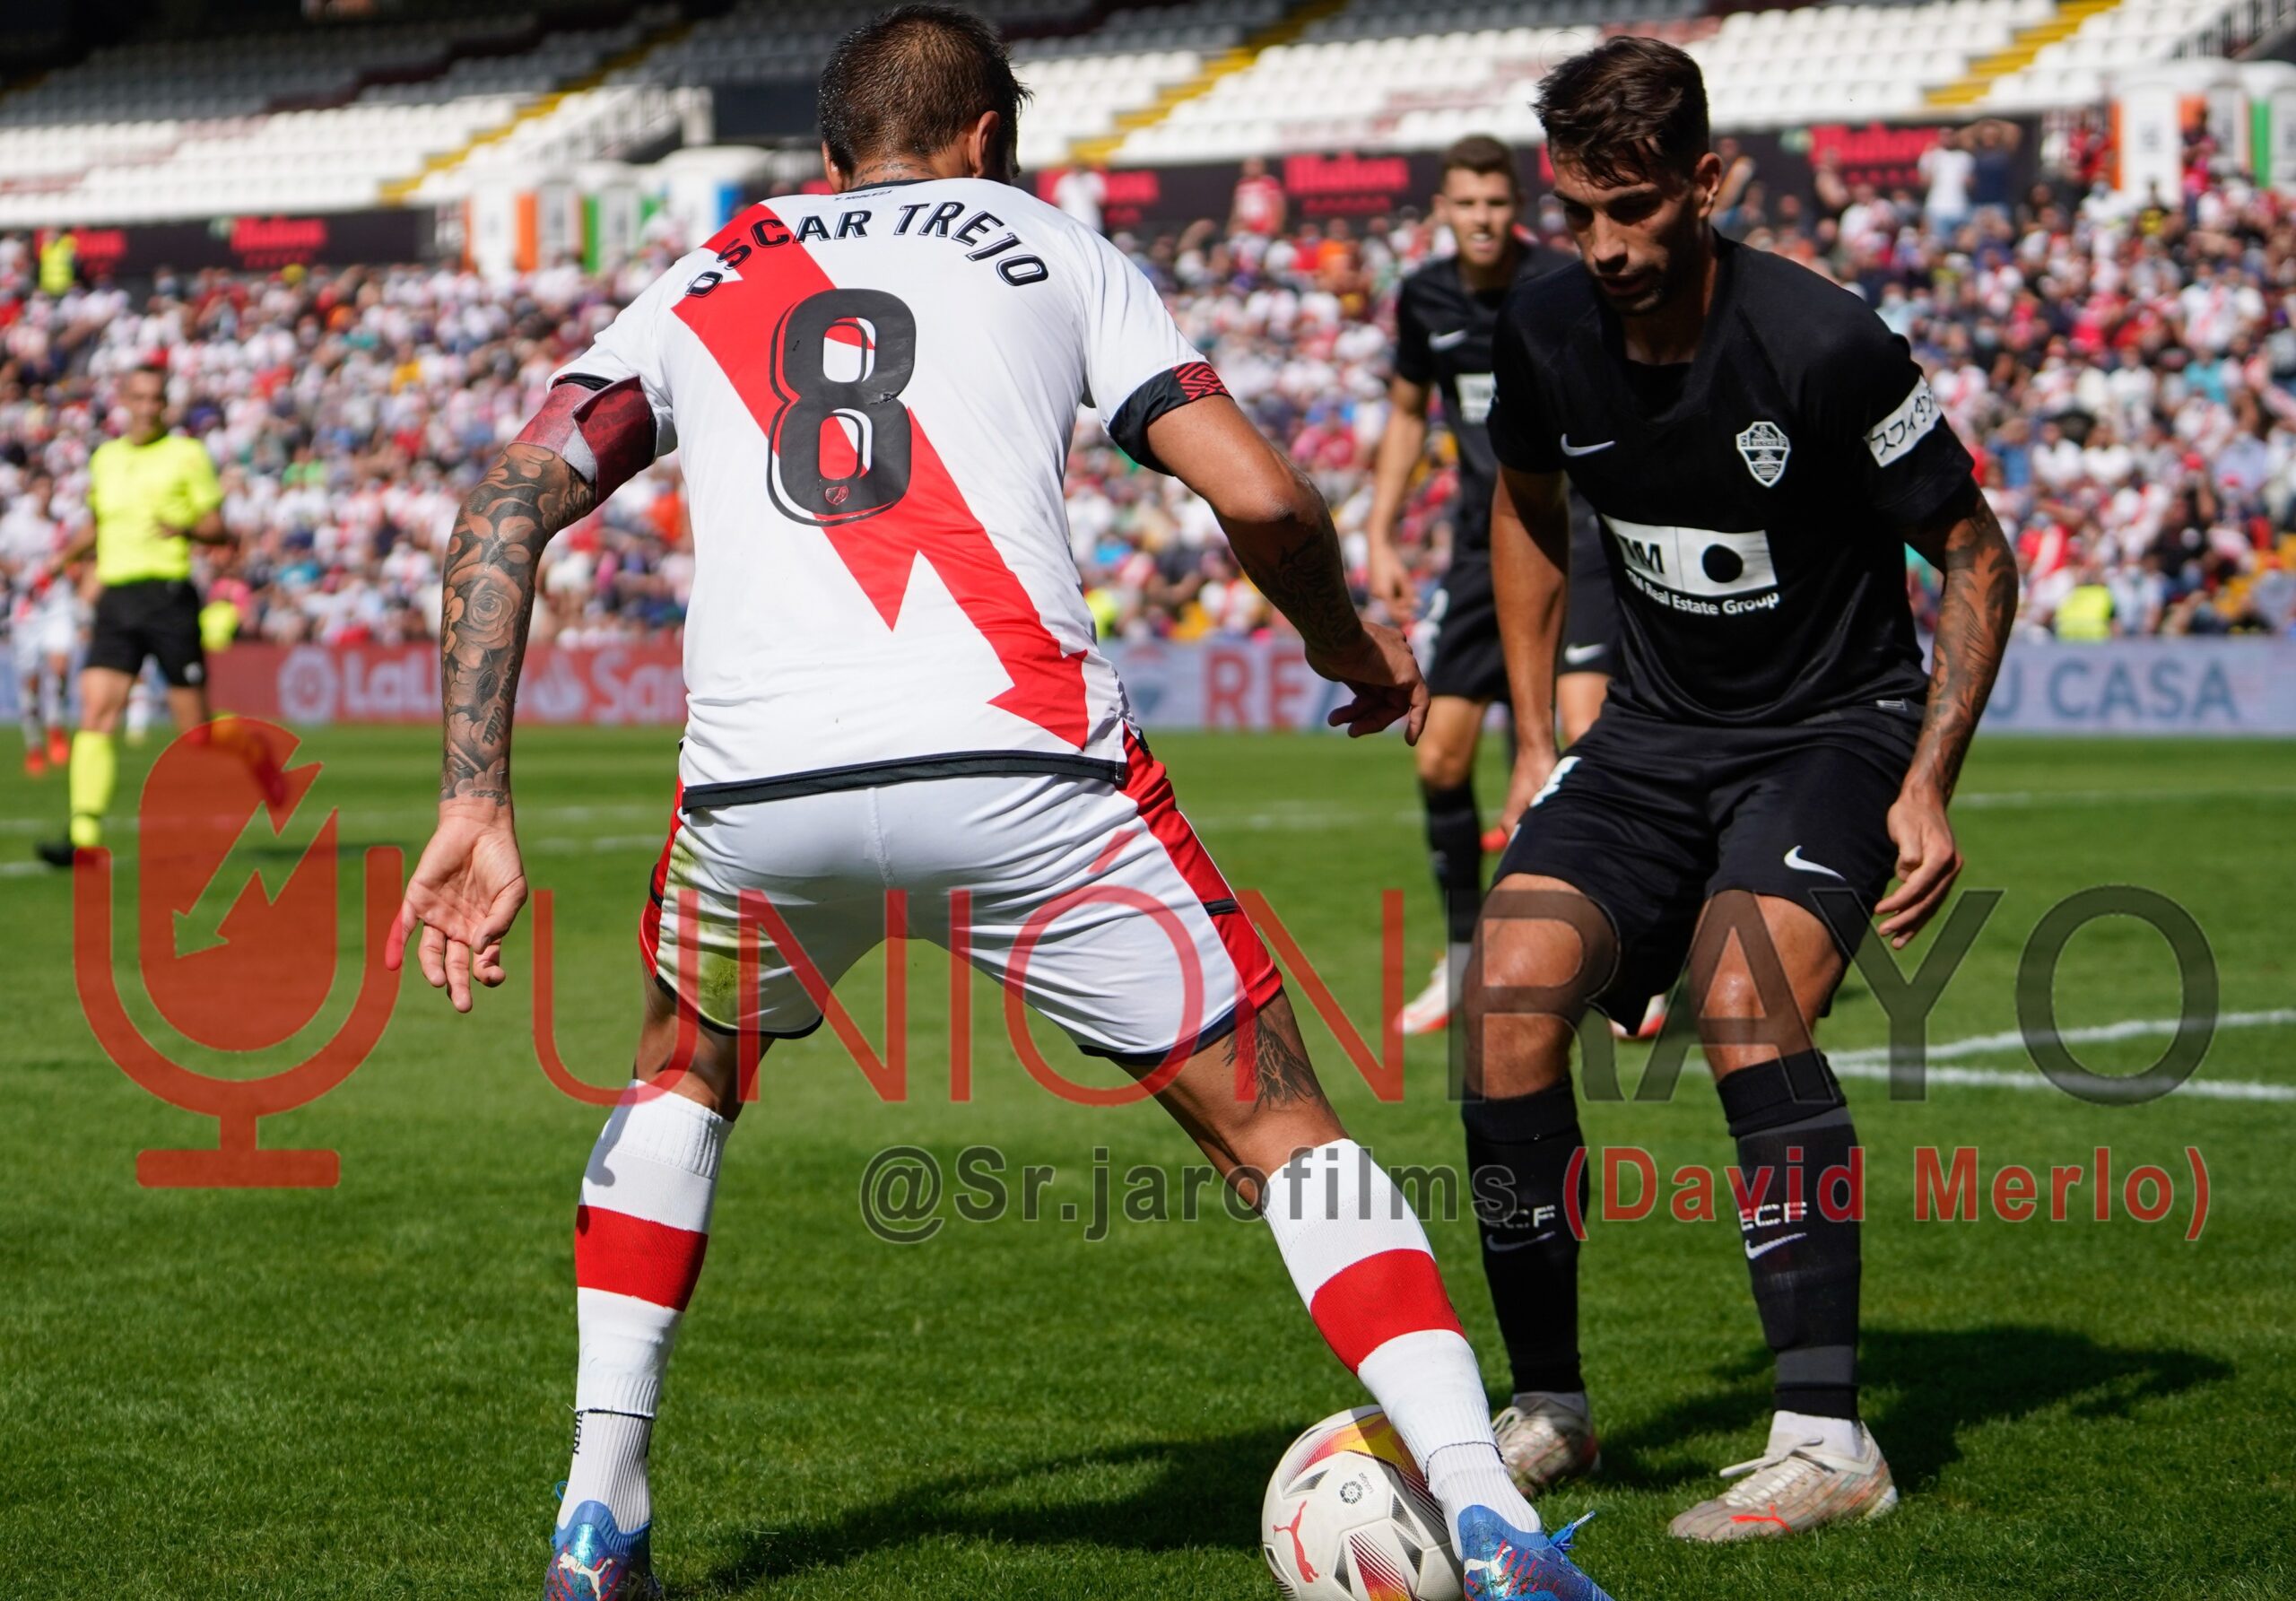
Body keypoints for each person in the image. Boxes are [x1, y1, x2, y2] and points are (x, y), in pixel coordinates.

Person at [387, 11, 1620, 1599]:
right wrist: (1345, 644)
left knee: (683, 1079)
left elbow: (504, 501)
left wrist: (474, 795)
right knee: (1279, 1127)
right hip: (1025, 771)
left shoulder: (705, 273)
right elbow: (1262, 497)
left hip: (762, 788)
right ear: (987, 140)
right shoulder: (1056, 249)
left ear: (828, 155)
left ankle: (596, 1512)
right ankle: (1489, 1513)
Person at [1465, 38, 2015, 1536]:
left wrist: (1929, 781)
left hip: (1832, 730)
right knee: (1507, 990)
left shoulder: (1826, 343)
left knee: (1742, 1001)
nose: (1604, 245)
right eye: (1580, 210)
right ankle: (1549, 1409)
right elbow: (1525, 507)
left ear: (1707, 183)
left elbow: (1976, 552)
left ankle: (1830, 1445)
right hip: (1650, 738)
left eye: (1635, 206)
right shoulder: (1545, 329)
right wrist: (1535, 734)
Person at [1361, 135, 1615, 1038]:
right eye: (1467, 203)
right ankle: (1467, 953)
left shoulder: (1563, 284)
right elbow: (1405, 413)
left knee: (1584, 732)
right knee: (1438, 757)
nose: (1482, 219)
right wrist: (1380, 529)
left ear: (1519, 208)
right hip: (1480, 548)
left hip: (1578, 535)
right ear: (1443, 209)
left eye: (1497, 203)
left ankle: (1618, 951)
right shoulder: (1424, 296)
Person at [35, 364, 278, 865]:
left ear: (166, 405)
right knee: (96, 711)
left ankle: (253, 748)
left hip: (167, 599)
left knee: (196, 734)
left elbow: (217, 528)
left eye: (156, 399)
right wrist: (61, 559)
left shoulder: (186, 455)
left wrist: (185, 528)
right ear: (124, 400)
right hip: (117, 600)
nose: (148, 408)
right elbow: (99, 523)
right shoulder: (106, 459)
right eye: (140, 398)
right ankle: (84, 837)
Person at [2, 471, 78, 776]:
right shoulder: (13, 525)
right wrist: (14, 570)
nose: (45, 493)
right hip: (27, 608)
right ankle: (34, 744)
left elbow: (76, 556)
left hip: (58, 604)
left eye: (49, 487)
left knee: (59, 667)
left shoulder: (61, 524)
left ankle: (56, 726)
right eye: (40, 487)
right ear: (31, 491)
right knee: (31, 682)